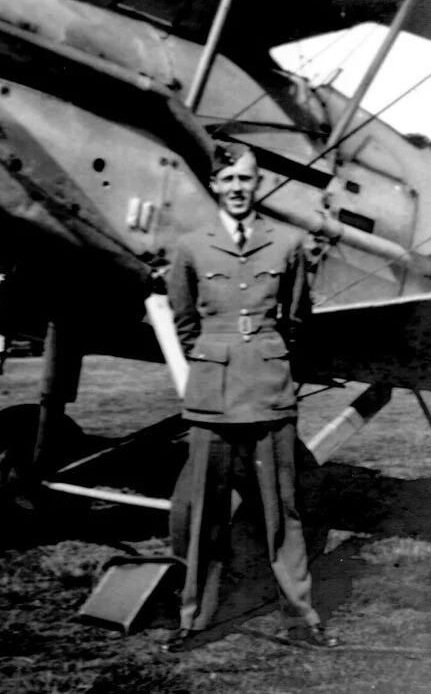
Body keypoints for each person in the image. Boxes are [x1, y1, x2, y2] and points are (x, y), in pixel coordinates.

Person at [165, 141, 338, 650]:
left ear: (257, 185)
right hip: (212, 398)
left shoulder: (286, 243)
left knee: (282, 513)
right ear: (215, 186)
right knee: (203, 514)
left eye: (246, 179)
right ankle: (193, 619)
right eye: (228, 180)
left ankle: (301, 616)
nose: (237, 188)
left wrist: (261, 354)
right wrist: (219, 354)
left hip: (267, 392)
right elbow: (184, 322)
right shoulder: (191, 246)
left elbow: (297, 316)